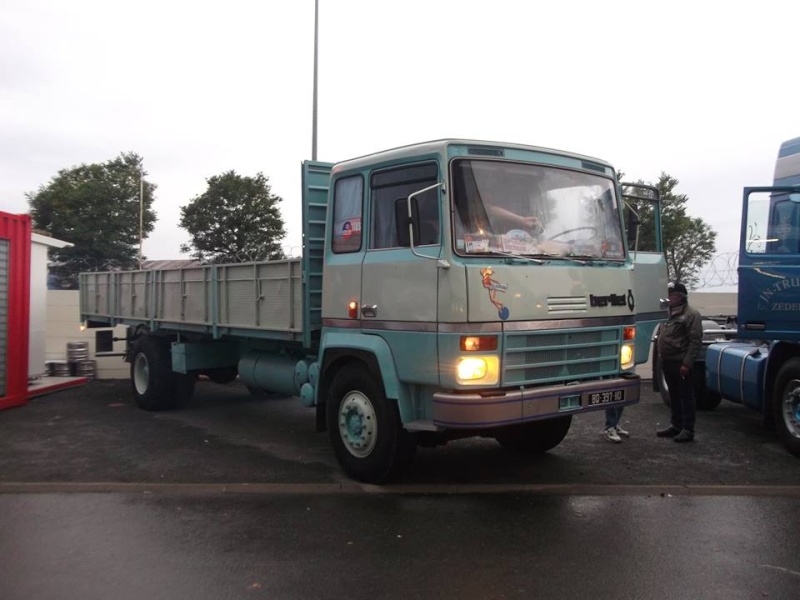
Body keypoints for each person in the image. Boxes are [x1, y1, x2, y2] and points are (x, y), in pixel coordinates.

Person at [656, 282, 703, 443]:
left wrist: (687, 364)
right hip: (667, 361)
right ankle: (676, 425)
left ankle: (688, 429)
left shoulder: (691, 315)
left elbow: (695, 341)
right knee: (674, 396)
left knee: (686, 396)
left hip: (680, 362)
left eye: (672, 295)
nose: (669, 298)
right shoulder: (666, 313)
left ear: (680, 297)